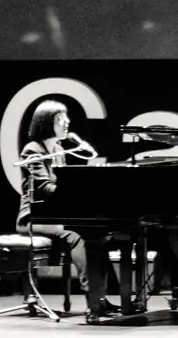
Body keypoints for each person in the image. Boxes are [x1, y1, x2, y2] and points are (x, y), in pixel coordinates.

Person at [18, 98, 117, 315]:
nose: (66, 122)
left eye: (66, 118)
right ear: (45, 122)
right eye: (60, 119)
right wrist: (74, 193)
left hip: (56, 216)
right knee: (77, 236)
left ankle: (101, 296)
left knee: (99, 235)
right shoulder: (32, 150)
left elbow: (62, 186)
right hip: (33, 218)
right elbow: (44, 188)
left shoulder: (59, 149)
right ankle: (92, 299)